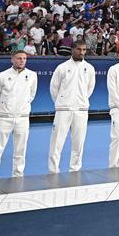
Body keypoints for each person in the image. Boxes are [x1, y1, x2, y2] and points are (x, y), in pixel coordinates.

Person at [0, 50, 37, 179]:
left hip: (22, 118)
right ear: (12, 59)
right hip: (4, 118)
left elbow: (31, 95)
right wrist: (4, 109)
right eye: (19, 58)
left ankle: (18, 176)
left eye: (24, 58)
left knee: (21, 150)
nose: (22, 61)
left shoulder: (32, 75)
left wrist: (22, 108)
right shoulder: (2, 76)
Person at [48, 40, 96, 173]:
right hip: (63, 109)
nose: (82, 52)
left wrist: (82, 100)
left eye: (84, 50)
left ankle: (75, 170)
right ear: (72, 50)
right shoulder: (62, 67)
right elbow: (54, 88)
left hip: (81, 110)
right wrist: (62, 102)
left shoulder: (89, 68)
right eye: (79, 49)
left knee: (78, 143)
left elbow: (90, 88)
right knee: (56, 143)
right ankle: (53, 171)